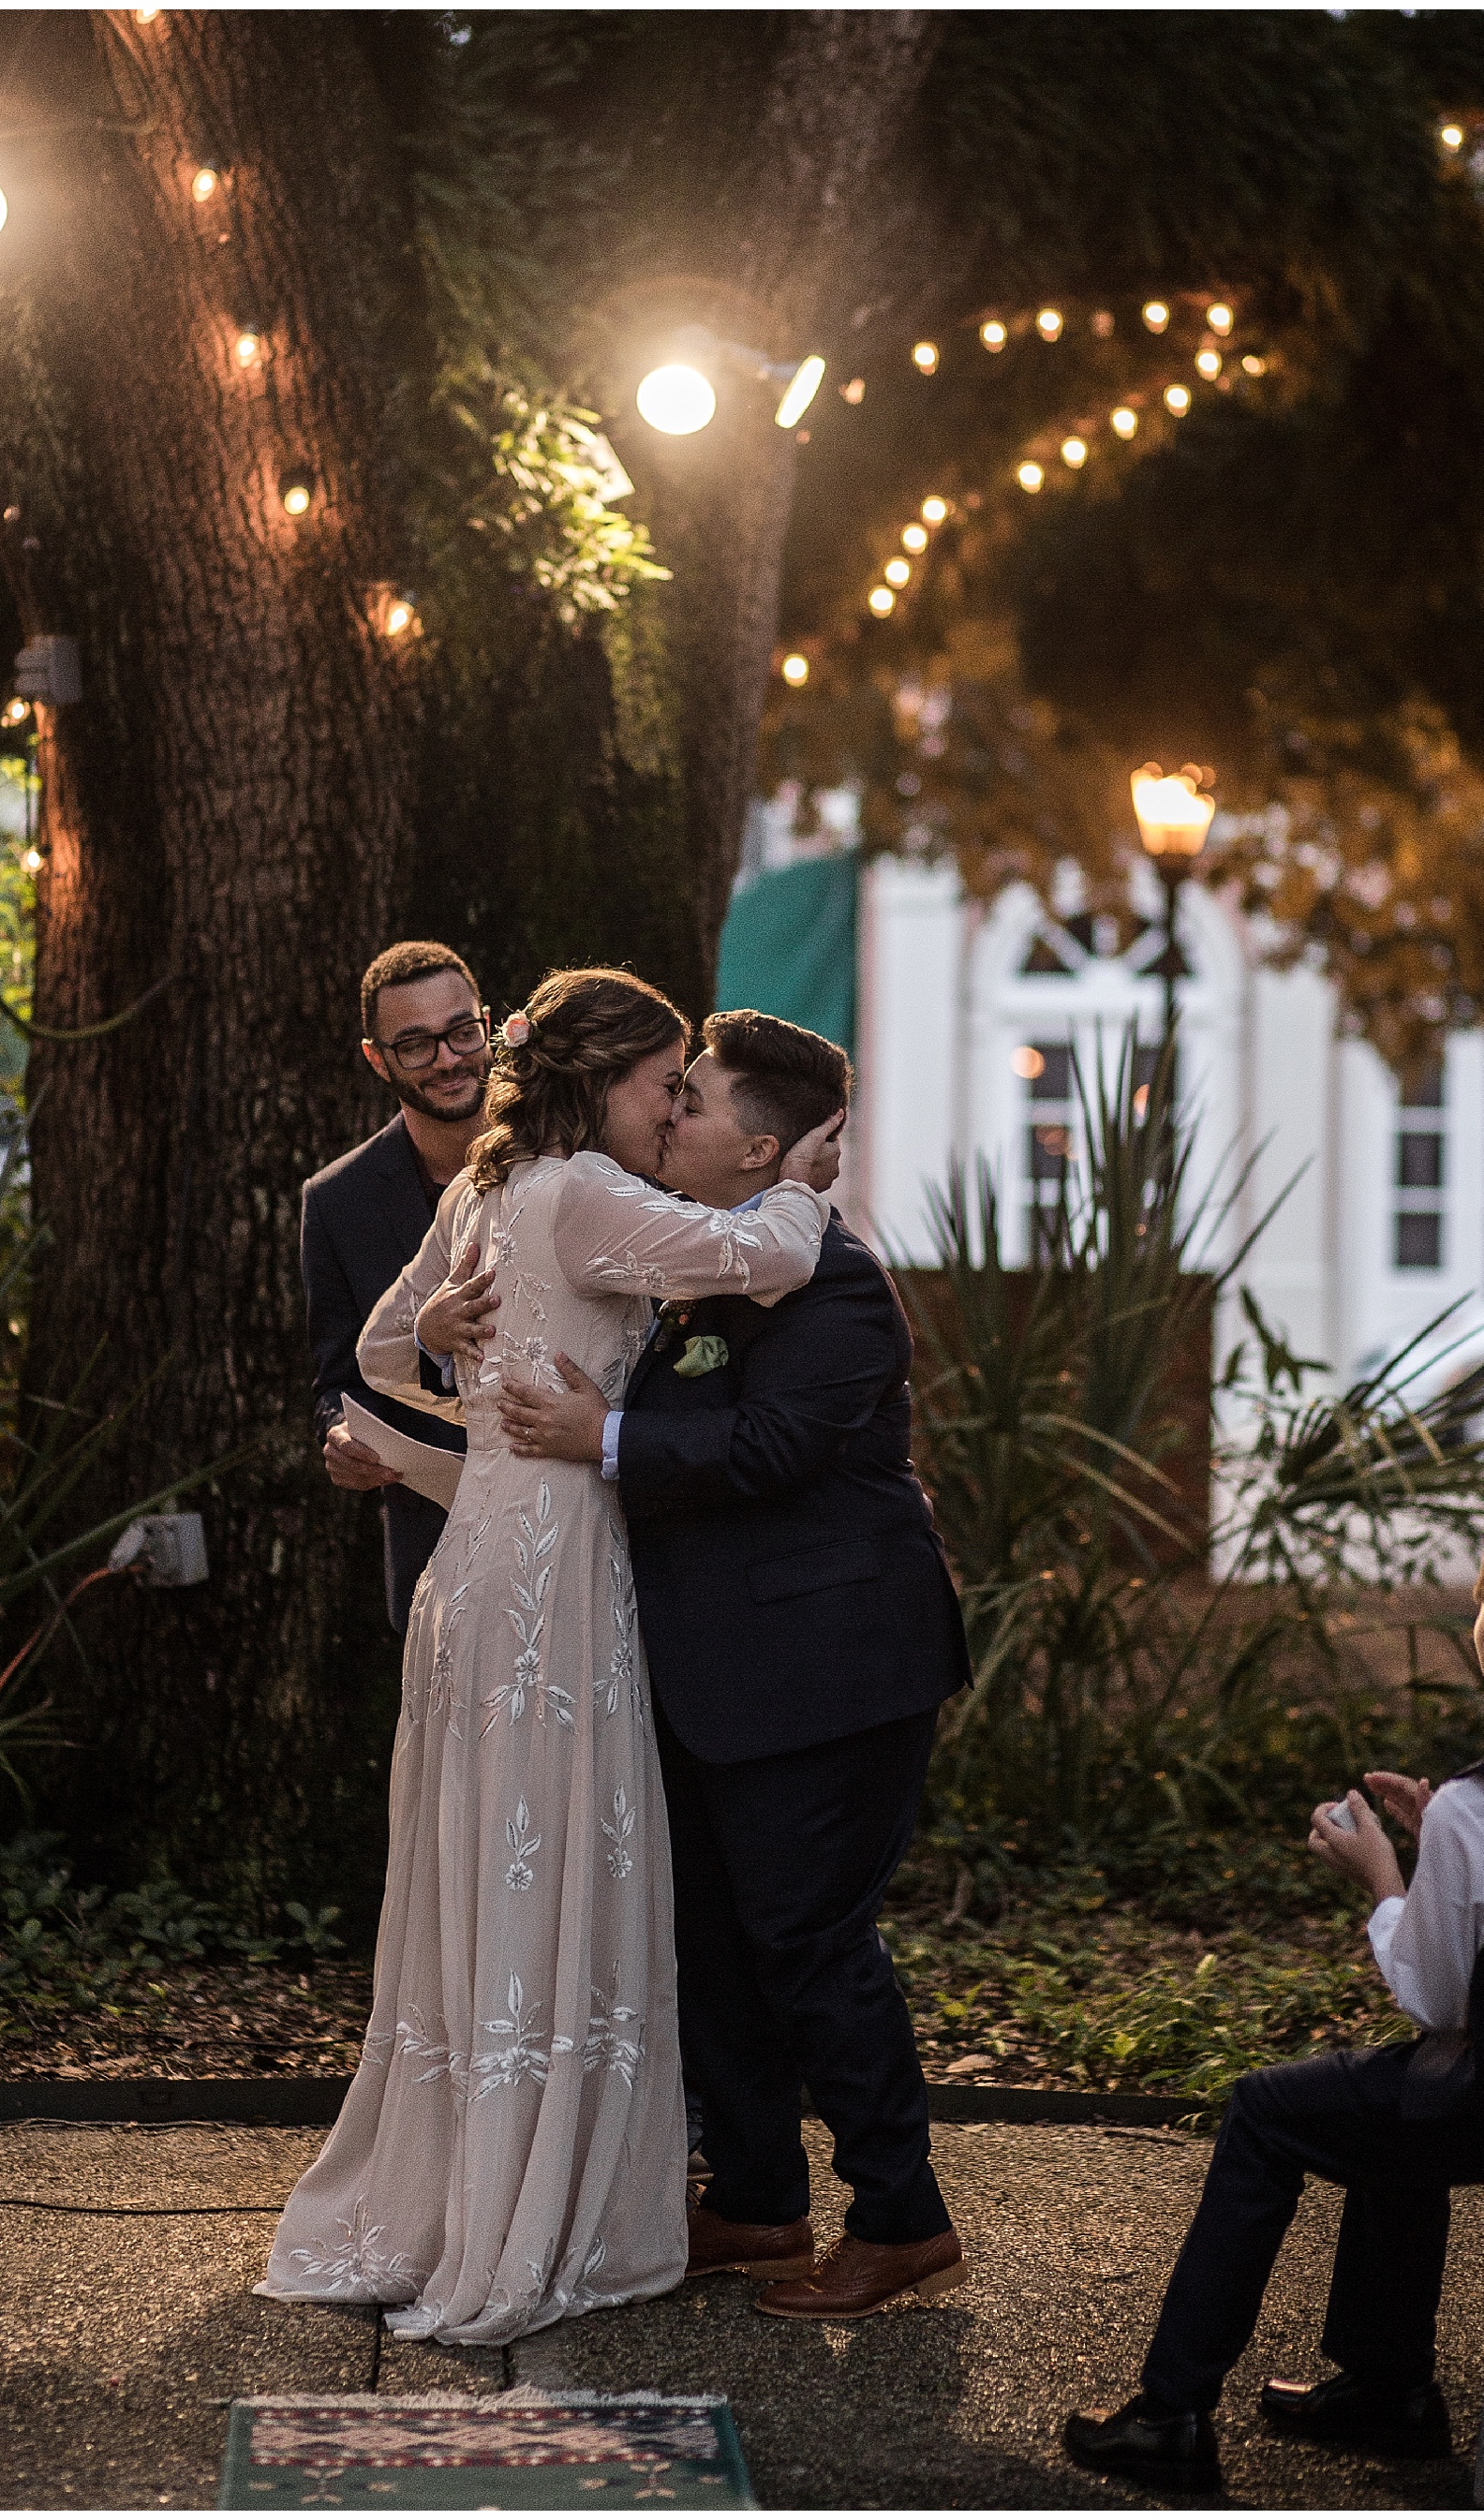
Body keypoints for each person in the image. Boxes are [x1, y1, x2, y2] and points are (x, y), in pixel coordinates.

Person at [259, 969, 844, 2345]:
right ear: (603, 1083)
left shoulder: (478, 1189)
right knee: (552, 1873)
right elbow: (767, 1256)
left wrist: (439, 1342)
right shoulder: (577, 1190)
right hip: (554, 1583)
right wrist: (807, 1174)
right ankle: (529, 2209)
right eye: (663, 1084)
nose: (675, 1104)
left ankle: (473, 2187)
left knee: (493, 1872)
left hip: (474, 1576)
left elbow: (376, 1344)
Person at [497, 1009, 973, 2319]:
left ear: (762, 1147)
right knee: (711, 1941)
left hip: (829, 1675)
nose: (668, 1115)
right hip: (710, 1679)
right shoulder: (687, 1265)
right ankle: (758, 2198)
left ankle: (903, 2216)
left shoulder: (839, 1286)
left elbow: (766, 1449)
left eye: (690, 1099)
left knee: (812, 1945)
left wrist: (604, 1439)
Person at [1063, 1520, 1484, 2486]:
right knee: (1391, 2097)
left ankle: (1172, 2410)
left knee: (1275, 2106)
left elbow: (1436, 1997)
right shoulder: (1473, 1815)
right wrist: (1444, 1843)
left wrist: (1387, 1876)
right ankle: (1387, 2385)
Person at [301, 942, 488, 1631]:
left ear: (488, 1025)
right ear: (376, 1059)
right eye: (414, 1045)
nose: (447, 1058)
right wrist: (341, 1434)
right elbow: (336, 1378)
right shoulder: (336, 1202)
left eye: (461, 1031)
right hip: (433, 1550)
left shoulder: (568, 1153)